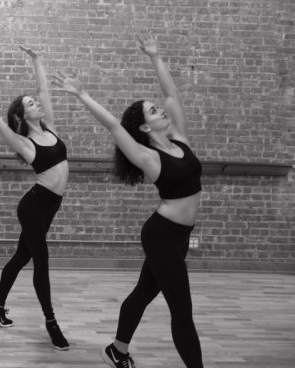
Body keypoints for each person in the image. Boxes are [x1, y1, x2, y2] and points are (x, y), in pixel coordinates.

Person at [51, 35, 203, 368]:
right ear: (145, 127)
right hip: (163, 236)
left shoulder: (180, 139)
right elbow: (113, 125)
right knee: (182, 312)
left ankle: (117, 350)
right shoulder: (148, 157)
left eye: (157, 107)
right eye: (154, 110)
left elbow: (172, 95)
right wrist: (82, 94)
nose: (162, 109)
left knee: (144, 292)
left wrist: (155, 57)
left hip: (180, 237)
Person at [0, 44, 70, 350]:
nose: (37, 103)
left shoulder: (50, 128)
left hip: (50, 206)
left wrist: (37, 60)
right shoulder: (25, 143)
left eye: (35, 102)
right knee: (41, 260)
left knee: (22, 256)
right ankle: (51, 322)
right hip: (34, 206)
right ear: (22, 115)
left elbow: (44, 90)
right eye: (30, 103)